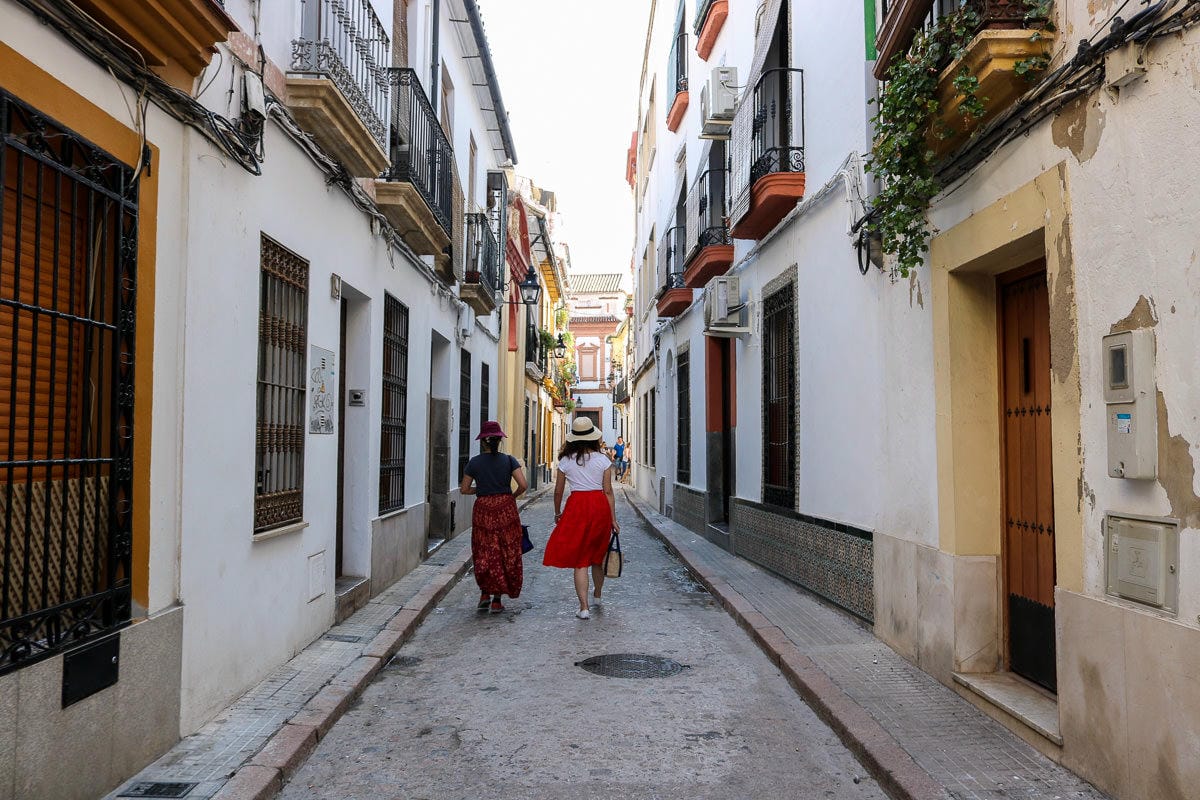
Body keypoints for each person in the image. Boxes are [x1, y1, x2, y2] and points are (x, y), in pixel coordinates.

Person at [543, 418, 618, 620]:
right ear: (593, 437)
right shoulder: (603, 460)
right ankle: (597, 595)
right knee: (598, 556)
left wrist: (557, 512)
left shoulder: (566, 461)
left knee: (581, 559)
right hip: (599, 507)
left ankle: (583, 607)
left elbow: (558, 491)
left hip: (576, 507)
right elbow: (608, 491)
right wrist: (613, 519)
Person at [460, 421, 527, 613]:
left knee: (484, 550)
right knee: (506, 550)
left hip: (483, 510)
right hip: (506, 509)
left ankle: (484, 594)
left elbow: (464, 489)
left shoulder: (474, 463)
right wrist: (510, 497)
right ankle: (497, 600)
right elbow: (523, 485)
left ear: (483, 442)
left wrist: (481, 489)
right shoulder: (509, 460)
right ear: (500, 440)